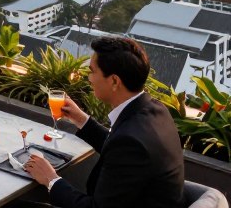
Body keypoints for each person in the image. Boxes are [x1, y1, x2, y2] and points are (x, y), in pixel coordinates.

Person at [24, 37, 184, 208]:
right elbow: (119, 147)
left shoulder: (130, 142)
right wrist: (81, 119)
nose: (89, 78)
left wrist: (51, 179)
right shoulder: (155, 110)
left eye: (92, 71)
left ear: (114, 81)